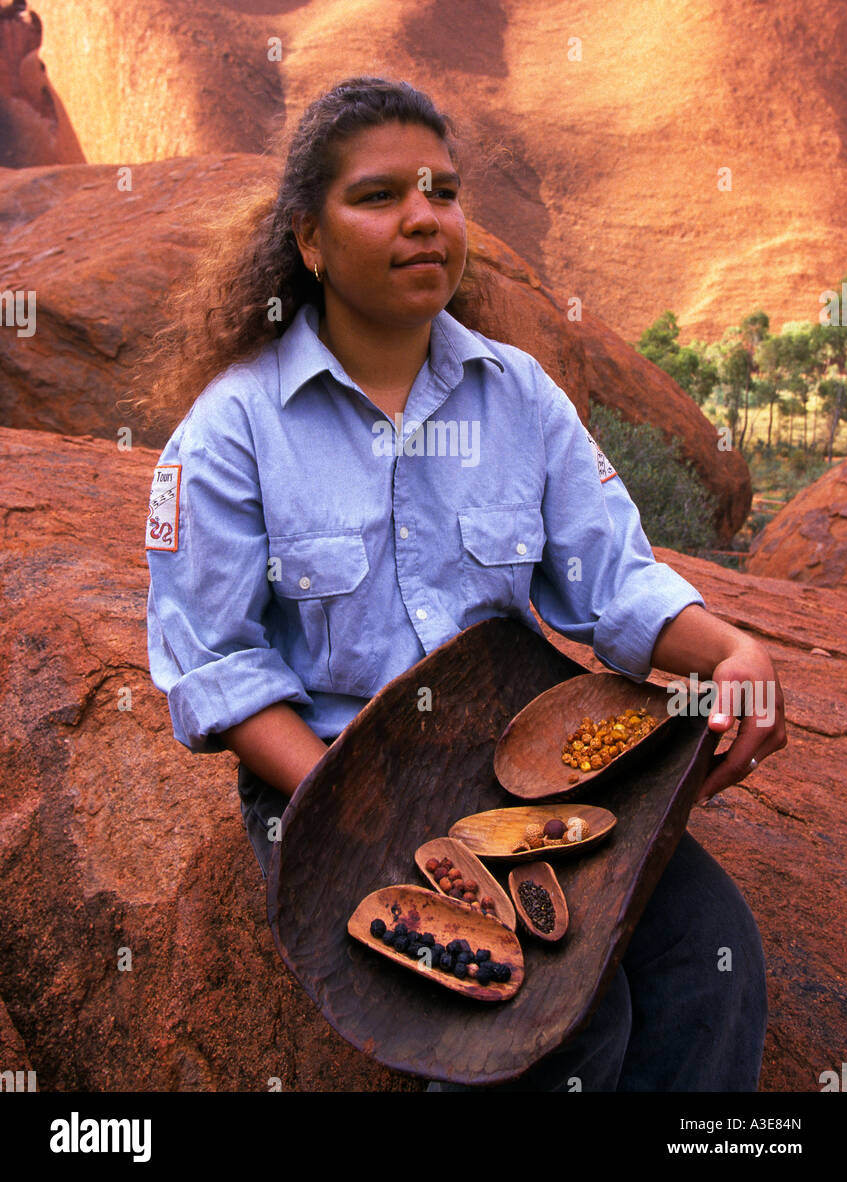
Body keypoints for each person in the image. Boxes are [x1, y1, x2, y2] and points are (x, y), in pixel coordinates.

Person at [141, 76, 785, 1091]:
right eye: (379, 194)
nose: (422, 218)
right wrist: (360, 815)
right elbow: (216, 665)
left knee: (715, 966)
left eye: (442, 191)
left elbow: (611, 582)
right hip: (325, 774)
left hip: (514, 778)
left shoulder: (518, 396)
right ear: (308, 240)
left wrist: (736, 653)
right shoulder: (233, 430)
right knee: (556, 1028)